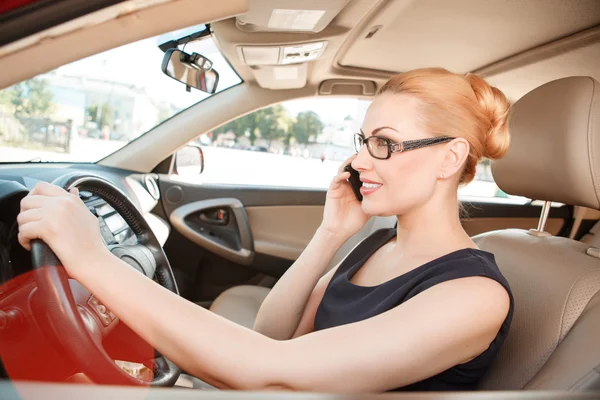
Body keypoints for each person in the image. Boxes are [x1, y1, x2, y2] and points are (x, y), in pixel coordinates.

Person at [17, 67, 513, 392]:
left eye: (385, 144)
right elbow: (274, 336)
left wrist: (93, 260)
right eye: (363, 141)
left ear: (450, 157)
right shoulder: (383, 242)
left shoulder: (472, 296)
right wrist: (331, 233)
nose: (360, 160)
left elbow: (261, 366)